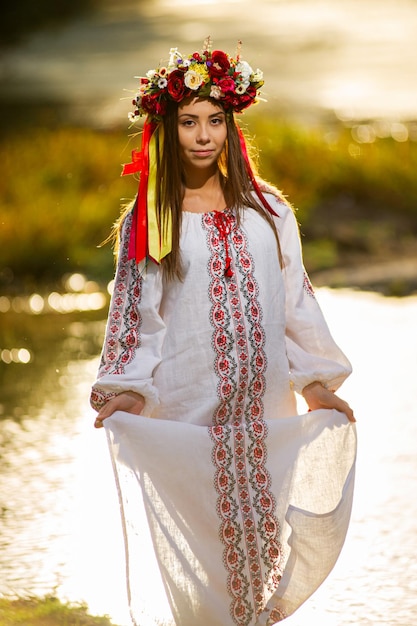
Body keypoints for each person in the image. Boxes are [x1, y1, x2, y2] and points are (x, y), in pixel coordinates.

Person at [90, 41, 357, 626]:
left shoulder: (269, 210)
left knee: (258, 547)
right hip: (189, 408)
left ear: (232, 127)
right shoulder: (153, 215)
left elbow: (295, 305)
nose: (203, 135)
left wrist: (316, 383)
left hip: (264, 406)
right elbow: (139, 315)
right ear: (168, 127)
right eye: (189, 122)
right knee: (210, 549)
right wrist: (129, 390)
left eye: (215, 121)